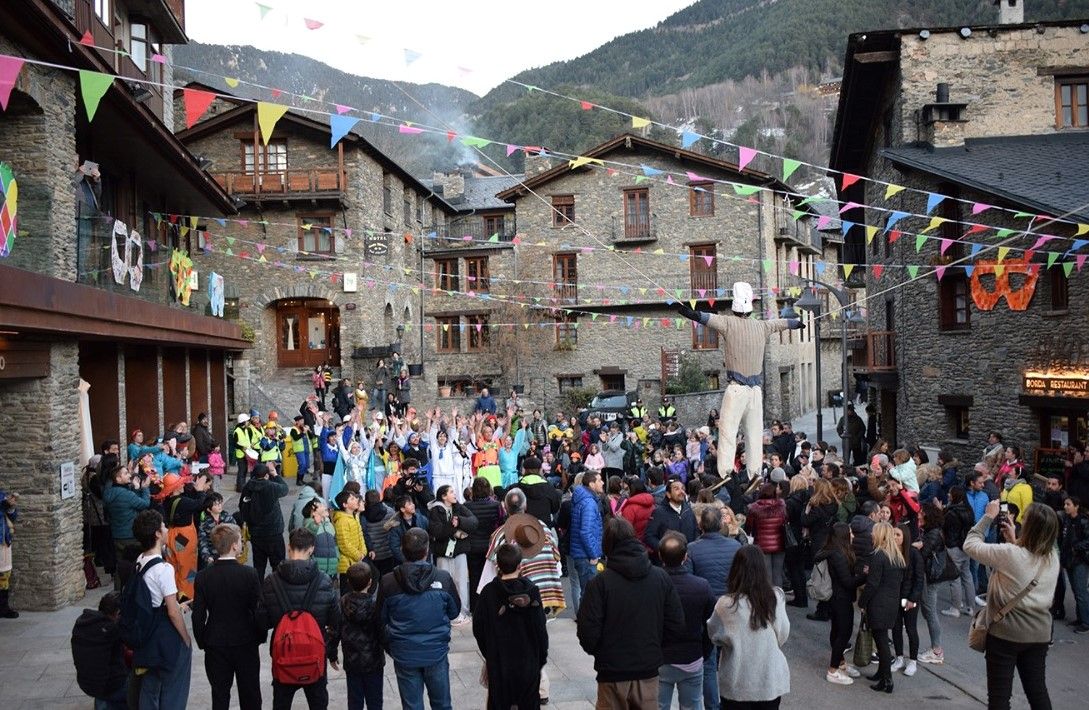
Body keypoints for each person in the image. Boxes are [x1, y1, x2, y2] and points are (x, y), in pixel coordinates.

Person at [577, 518, 685, 709]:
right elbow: (676, 625)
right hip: (647, 669)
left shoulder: (600, 584)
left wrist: (602, 652)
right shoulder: (660, 578)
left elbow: (588, 631)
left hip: (612, 671)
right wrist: (654, 648)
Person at [964, 500, 1060, 709]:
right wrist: (1014, 540)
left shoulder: (1010, 554)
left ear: (1029, 527)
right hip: (1039, 634)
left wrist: (988, 516)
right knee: (1037, 691)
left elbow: (970, 544)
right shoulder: (1053, 557)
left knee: (999, 697)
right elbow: (1029, 558)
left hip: (1006, 634)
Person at [257, 527, 342, 710]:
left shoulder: (271, 581)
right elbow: (336, 622)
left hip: (284, 653)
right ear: (312, 549)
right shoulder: (324, 581)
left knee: (281, 702)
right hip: (315, 653)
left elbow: (262, 622)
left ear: (289, 547)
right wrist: (331, 651)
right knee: (318, 702)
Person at [378, 527, 461, 710]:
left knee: (412, 705)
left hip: (404, 652)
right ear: (427, 550)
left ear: (402, 549)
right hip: (435, 651)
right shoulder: (442, 578)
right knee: (442, 704)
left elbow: (380, 618)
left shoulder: (388, 581)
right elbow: (454, 612)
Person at [707, 544, 790, 709]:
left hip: (737, 680)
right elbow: (783, 633)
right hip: (769, 678)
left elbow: (714, 634)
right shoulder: (776, 597)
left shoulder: (726, 604)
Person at [192, 523, 264, 710]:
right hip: (245, 640)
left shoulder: (203, 577)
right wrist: (260, 635)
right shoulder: (249, 574)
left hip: (215, 641)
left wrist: (202, 640)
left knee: (220, 695)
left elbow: (198, 615)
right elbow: (258, 610)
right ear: (234, 545)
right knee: (250, 694)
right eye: (240, 541)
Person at [128, 510, 193, 709]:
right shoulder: (164, 569)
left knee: (150, 686)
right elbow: (172, 611)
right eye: (164, 527)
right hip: (164, 633)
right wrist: (186, 638)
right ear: (157, 534)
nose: (167, 529)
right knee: (174, 688)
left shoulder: (140, 560)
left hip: (146, 632)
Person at [473, 543, 549, 710]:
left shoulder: (489, 592)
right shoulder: (531, 591)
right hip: (527, 661)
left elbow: (478, 629)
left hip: (499, 660)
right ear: (520, 564)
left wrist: (489, 652)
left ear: (497, 565)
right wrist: (541, 657)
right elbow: (540, 629)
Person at [658, 532, 716, 710]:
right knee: (692, 705)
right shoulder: (701, 586)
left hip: (659, 658)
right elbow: (711, 625)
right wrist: (704, 651)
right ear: (685, 557)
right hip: (691, 657)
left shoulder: (652, 585)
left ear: (660, 556)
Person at [858, 522, 906, 694]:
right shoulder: (896, 556)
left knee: (882, 643)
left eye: (874, 532)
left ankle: (887, 680)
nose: (871, 535)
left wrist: (862, 602)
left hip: (878, 604)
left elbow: (872, 584)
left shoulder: (879, 556)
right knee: (883, 640)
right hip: (891, 603)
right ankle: (881, 674)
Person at [818, 522, 866, 686]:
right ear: (843, 536)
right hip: (840, 599)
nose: (852, 535)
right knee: (843, 633)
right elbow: (847, 582)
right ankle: (833, 670)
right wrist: (865, 576)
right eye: (850, 533)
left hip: (839, 598)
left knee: (838, 631)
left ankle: (841, 663)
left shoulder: (837, 551)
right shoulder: (837, 555)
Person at [427, 484, 478, 624]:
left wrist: (460, 521)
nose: (454, 494)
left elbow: (474, 522)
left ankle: (463, 611)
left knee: (461, 582)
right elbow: (437, 532)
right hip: (443, 552)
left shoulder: (459, 507)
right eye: (451, 492)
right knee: (443, 583)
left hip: (459, 551)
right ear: (444, 496)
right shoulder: (435, 510)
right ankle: (445, 612)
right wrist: (452, 527)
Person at [338, 562, 385, 710]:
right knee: (375, 700)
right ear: (370, 582)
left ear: (348, 582)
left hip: (352, 659)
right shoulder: (375, 604)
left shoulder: (343, 602)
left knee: (354, 701)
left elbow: (335, 629)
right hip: (374, 660)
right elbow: (383, 631)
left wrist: (332, 653)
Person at [71, 591, 128, 709]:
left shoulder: (83, 623)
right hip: (110, 686)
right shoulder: (112, 630)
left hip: (86, 683)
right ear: (117, 613)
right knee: (141, 681)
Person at [101, 462, 151, 588]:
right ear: (118, 478)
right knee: (135, 564)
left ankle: (118, 592)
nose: (129, 475)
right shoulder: (125, 495)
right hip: (130, 535)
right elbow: (144, 504)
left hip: (117, 535)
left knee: (120, 564)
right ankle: (134, 591)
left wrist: (134, 488)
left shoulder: (108, 492)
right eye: (126, 473)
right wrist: (144, 488)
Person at [240, 463, 289, 578]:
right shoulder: (271, 487)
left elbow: (242, 507)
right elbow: (285, 489)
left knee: (259, 566)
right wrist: (275, 474)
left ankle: (259, 592)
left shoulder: (248, 487)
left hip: (256, 534)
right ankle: (276, 591)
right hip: (274, 533)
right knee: (278, 566)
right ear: (266, 475)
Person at [890, 524, 924, 679]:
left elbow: (919, 579)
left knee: (911, 629)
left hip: (909, 599)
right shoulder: (890, 552)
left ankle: (913, 661)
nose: (895, 537)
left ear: (905, 536)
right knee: (896, 628)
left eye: (898, 535)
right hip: (894, 598)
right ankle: (899, 658)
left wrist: (912, 599)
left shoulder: (914, 554)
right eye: (893, 534)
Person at [914, 502, 946, 665]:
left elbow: (923, 554)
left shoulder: (932, 534)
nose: (918, 515)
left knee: (930, 612)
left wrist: (916, 547)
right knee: (928, 612)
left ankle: (936, 650)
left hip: (930, 577)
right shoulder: (929, 531)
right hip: (929, 576)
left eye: (921, 512)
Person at [465, 477, 502, 609]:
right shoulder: (496, 505)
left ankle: (476, 606)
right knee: (491, 577)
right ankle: (492, 605)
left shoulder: (467, 506)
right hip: (490, 547)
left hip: (473, 547)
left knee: (474, 577)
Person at [570, 471, 606, 607]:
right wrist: (594, 554)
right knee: (590, 595)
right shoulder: (589, 503)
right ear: (591, 484)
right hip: (586, 556)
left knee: (587, 593)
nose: (602, 482)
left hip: (582, 554)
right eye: (599, 480)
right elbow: (585, 532)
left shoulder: (584, 499)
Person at [746, 483, 788, 587]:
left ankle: (768, 600)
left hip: (762, 544)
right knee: (777, 574)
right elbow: (785, 522)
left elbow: (749, 527)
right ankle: (779, 599)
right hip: (779, 543)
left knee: (766, 574)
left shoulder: (754, 508)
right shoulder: (782, 506)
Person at [646, 479, 699, 555]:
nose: (681, 492)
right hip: (668, 561)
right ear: (668, 494)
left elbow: (696, 530)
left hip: (688, 557)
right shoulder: (659, 512)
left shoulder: (688, 509)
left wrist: (693, 548)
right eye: (676, 489)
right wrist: (665, 551)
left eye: (682, 488)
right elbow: (649, 536)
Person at [1060, 495, 1089, 631]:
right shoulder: (1066, 520)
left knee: (1081, 592)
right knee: (1076, 590)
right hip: (1069, 559)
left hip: (1080, 560)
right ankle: (1081, 618)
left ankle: (1086, 622)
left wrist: (1076, 547)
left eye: (1068, 504)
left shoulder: (1083, 521)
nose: (1065, 507)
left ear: (1076, 506)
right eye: (1065, 504)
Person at [332, 492, 367, 593]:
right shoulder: (342, 521)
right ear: (345, 505)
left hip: (356, 560)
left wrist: (363, 551)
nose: (356, 500)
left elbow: (360, 535)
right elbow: (344, 545)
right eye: (351, 499)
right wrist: (358, 555)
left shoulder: (354, 517)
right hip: (347, 563)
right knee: (347, 593)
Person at [304, 498, 341, 583]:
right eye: (320, 505)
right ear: (313, 512)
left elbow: (335, 542)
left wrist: (337, 557)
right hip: (318, 568)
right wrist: (316, 523)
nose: (324, 506)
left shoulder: (328, 524)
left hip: (332, 567)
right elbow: (311, 530)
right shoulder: (310, 524)